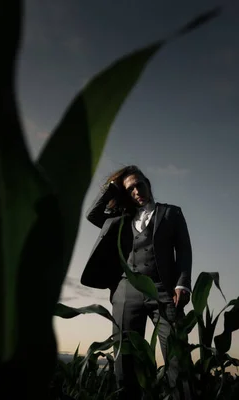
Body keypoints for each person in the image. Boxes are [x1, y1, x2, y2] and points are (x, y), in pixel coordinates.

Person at [80, 165, 193, 400]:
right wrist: (113, 189)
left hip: (163, 291)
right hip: (125, 292)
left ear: (148, 184)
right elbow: (93, 214)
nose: (136, 191)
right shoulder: (121, 218)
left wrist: (183, 284)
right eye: (129, 189)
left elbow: (183, 250)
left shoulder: (172, 213)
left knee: (177, 357)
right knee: (125, 360)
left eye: (138, 185)